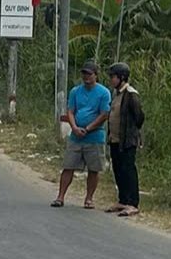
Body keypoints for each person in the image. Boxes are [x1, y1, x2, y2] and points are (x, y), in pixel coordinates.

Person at [53, 63, 111, 209]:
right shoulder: (75, 91)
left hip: (95, 136)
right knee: (68, 166)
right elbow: (71, 111)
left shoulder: (104, 93)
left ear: (96, 75)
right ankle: (60, 196)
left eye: (89, 74)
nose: (86, 77)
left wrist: (88, 128)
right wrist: (74, 127)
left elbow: (104, 114)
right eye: (84, 74)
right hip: (76, 136)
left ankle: (89, 198)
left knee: (93, 169)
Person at [104, 61, 146, 217]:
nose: (111, 80)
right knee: (118, 170)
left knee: (128, 170)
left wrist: (132, 133)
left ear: (122, 77)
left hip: (127, 140)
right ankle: (122, 200)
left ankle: (132, 203)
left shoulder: (131, 94)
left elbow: (139, 117)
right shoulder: (116, 94)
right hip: (115, 139)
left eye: (113, 77)